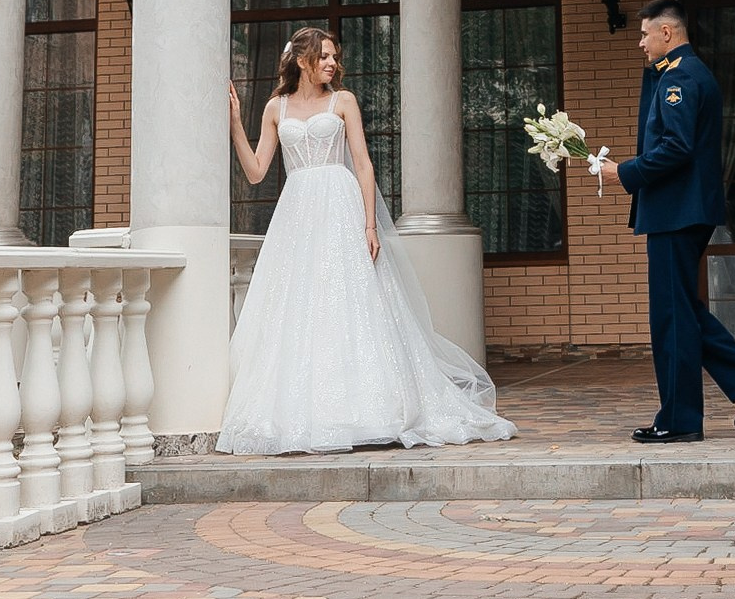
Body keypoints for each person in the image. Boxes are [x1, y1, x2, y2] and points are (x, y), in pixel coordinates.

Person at [218, 27, 516, 455]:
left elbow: (363, 165)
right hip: (297, 213)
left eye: (334, 57)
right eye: (324, 57)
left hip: (340, 208)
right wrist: (234, 125)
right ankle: (309, 411)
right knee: (301, 306)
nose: (332, 64)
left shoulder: (344, 101)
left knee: (350, 300)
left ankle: (374, 408)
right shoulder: (274, 108)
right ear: (302, 59)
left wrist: (370, 225)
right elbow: (256, 171)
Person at [600, 0, 735, 443]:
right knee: (679, 309)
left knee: (671, 316)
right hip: (680, 210)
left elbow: (676, 148)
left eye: (645, 34)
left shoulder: (680, 76)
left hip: (676, 211)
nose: (640, 43)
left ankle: (681, 420)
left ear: (667, 33)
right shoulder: (682, 72)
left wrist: (622, 172)